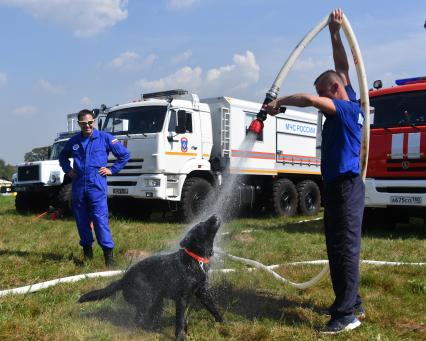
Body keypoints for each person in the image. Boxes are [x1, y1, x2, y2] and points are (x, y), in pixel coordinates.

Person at [266, 8, 365, 334]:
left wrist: (279, 104)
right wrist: (335, 33)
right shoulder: (348, 95)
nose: (322, 98)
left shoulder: (346, 107)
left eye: (325, 92)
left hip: (346, 186)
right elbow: (342, 68)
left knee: (343, 248)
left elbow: (309, 99)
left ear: (333, 91)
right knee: (340, 246)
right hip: (339, 186)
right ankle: (354, 303)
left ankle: (346, 315)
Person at [59, 109, 130, 266]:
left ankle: (109, 259)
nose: (87, 126)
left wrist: (112, 169)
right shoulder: (74, 141)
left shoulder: (105, 138)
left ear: (94, 122)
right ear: (79, 124)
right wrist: (68, 170)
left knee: (100, 220)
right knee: (81, 220)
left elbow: (124, 155)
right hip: (78, 187)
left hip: (96, 186)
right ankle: (88, 255)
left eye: (90, 123)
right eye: (84, 123)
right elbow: (62, 156)